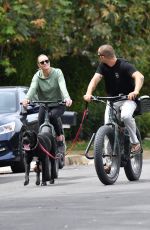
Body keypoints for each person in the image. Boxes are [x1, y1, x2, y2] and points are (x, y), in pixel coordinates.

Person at [84, 44, 144, 153]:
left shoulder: (124, 65)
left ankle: (135, 143)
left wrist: (135, 91)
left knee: (125, 116)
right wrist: (88, 93)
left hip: (128, 99)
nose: (98, 57)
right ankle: (109, 161)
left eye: (98, 55)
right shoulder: (102, 66)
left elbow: (140, 77)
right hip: (112, 101)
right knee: (107, 127)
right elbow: (94, 80)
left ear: (102, 57)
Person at [22, 54, 72, 154]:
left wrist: (67, 97)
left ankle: (59, 140)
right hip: (44, 105)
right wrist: (27, 99)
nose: (45, 63)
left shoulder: (57, 72)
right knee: (40, 127)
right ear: (38, 65)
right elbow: (32, 88)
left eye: (47, 61)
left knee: (52, 117)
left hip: (58, 104)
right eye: (42, 62)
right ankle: (40, 154)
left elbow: (62, 86)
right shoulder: (37, 76)